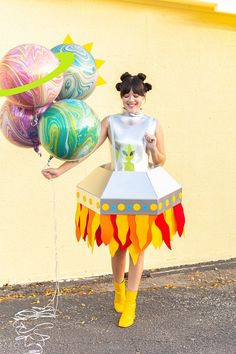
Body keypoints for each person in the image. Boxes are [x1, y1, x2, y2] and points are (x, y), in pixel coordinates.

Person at [42, 72, 167, 328]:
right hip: (117, 188)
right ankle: (119, 291)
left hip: (142, 189)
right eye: (127, 94)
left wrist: (153, 146)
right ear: (121, 95)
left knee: (138, 247)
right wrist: (60, 171)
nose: (131, 99)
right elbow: (85, 150)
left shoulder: (153, 123)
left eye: (136, 95)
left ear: (144, 97)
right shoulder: (110, 122)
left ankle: (130, 304)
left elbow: (161, 160)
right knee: (118, 245)